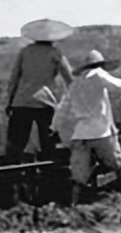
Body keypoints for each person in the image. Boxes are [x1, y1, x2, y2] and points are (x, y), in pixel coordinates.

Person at [52, 49, 121, 206]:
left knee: (79, 176)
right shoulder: (98, 74)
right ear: (99, 65)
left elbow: (62, 110)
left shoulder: (75, 85)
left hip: (81, 135)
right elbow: (118, 86)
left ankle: (73, 206)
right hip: (100, 133)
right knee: (119, 166)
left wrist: (54, 127)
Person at [4, 19, 74, 161]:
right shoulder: (55, 53)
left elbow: (14, 79)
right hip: (45, 102)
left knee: (16, 145)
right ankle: (49, 175)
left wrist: (9, 101)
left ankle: (11, 174)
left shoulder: (24, 52)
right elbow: (70, 79)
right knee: (49, 143)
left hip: (21, 101)